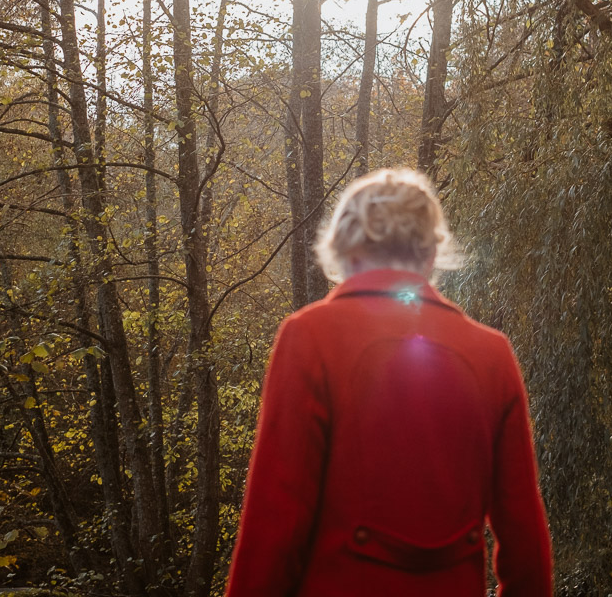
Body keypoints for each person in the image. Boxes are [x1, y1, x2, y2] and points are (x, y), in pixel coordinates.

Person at [225, 168, 553, 597]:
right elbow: (525, 543)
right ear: (431, 254)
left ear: (346, 249)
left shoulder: (310, 337)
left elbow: (275, 525)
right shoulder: (492, 354)